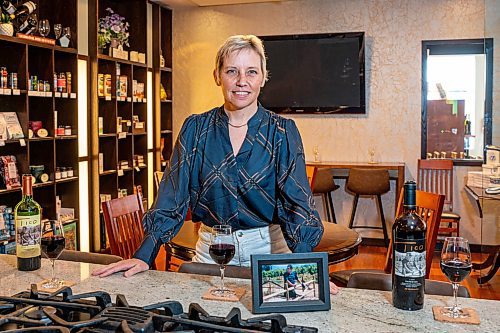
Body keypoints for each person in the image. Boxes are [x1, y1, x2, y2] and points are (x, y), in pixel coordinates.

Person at [92, 35, 339, 295]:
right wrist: (144, 254)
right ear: (217, 76)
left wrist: (307, 267)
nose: (242, 81)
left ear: (263, 77)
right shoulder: (195, 128)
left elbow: (297, 204)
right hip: (211, 254)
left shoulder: (282, 131)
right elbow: (171, 196)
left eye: (251, 72)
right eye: (232, 71)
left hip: (270, 254)